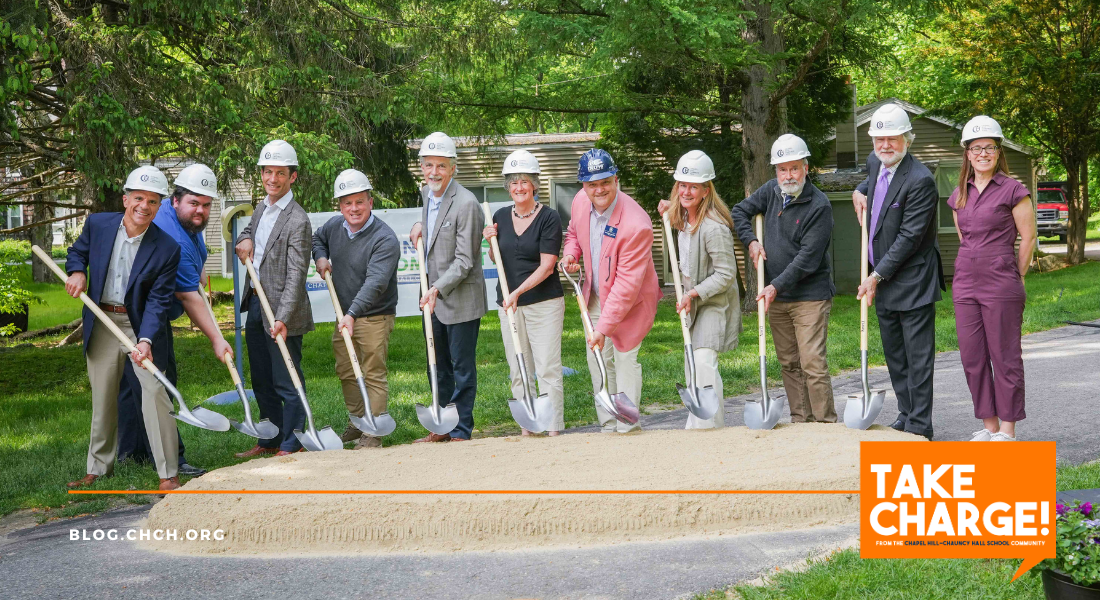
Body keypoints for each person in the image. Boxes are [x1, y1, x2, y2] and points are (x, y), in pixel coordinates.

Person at [63, 166, 183, 491]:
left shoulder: (167, 248)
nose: (144, 206)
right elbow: (77, 253)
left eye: (153, 201)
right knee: (103, 397)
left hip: (138, 326)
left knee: (155, 392)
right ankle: (98, 468)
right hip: (101, 319)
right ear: (126, 198)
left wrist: (145, 340)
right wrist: (77, 272)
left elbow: (158, 302)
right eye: (139, 198)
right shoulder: (99, 225)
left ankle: (168, 473)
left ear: (160, 207)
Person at [115, 164, 231, 477]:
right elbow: (189, 297)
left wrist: (200, 270)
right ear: (175, 200)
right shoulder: (170, 237)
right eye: (194, 203)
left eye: (207, 205)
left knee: (134, 384)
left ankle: (131, 454)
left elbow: (195, 265)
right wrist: (217, 339)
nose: (201, 211)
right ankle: (171, 459)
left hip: (141, 308)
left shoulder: (182, 222)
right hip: (142, 314)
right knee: (161, 382)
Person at [852, 103, 945, 440]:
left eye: (892, 138)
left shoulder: (921, 181)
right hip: (882, 276)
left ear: (908, 139)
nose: (885, 145)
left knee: (917, 357)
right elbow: (872, 181)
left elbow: (908, 238)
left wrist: (874, 277)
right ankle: (906, 415)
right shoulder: (876, 162)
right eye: (879, 139)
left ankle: (921, 425)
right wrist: (858, 191)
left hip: (913, 278)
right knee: (894, 353)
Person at [731, 134, 837, 423]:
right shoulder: (770, 192)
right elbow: (739, 212)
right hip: (776, 296)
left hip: (810, 297)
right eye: (782, 169)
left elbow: (808, 259)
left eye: (794, 168)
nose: (788, 175)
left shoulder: (819, 206)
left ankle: (825, 424)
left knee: (812, 363)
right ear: (775, 171)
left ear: (805, 167)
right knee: (789, 363)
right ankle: (801, 420)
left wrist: (774, 286)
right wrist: (751, 241)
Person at [561, 149, 662, 433]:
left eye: (605, 181)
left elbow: (627, 287)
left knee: (624, 359)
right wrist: (571, 254)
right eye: (592, 184)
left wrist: (603, 328)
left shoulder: (636, 224)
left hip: (631, 304)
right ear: (583, 185)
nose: (599, 189)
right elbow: (572, 234)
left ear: (616, 179)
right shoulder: (581, 202)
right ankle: (608, 424)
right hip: (594, 294)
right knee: (598, 360)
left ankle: (627, 426)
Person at [949, 116, 1036, 442]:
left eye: (989, 147)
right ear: (967, 154)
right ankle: (989, 426)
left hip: (1001, 280)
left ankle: (1008, 430)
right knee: (972, 356)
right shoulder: (959, 193)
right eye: (976, 148)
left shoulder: (1014, 190)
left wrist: (1019, 274)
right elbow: (964, 237)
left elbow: (1027, 238)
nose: (983, 153)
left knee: (1005, 356)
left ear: (998, 152)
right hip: (966, 281)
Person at [234, 140, 316, 457]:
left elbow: (297, 275)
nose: (272, 179)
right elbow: (249, 232)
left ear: (292, 177)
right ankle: (270, 438)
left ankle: (293, 441)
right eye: (267, 172)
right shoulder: (262, 206)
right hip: (255, 302)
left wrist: (281, 317)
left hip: (284, 310)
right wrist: (243, 239)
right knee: (262, 379)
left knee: (287, 379)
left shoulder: (298, 220)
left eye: (280, 173)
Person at [408, 132, 487, 442]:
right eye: (428, 165)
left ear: (453, 168)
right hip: (434, 299)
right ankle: (441, 425)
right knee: (436, 365)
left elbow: (465, 260)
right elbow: (434, 230)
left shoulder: (467, 204)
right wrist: (419, 225)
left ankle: (461, 429)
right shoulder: (428, 195)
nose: (434, 172)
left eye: (441, 166)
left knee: (461, 369)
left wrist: (436, 289)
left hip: (458, 298)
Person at [313, 169, 400, 449]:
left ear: (370, 202)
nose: (354, 208)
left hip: (374, 315)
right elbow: (318, 239)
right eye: (347, 203)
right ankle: (357, 422)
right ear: (339, 205)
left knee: (372, 371)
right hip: (345, 314)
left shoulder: (384, 239)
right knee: (346, 371)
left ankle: (373, 432)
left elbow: (375, 283)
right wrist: (321, 257)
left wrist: (352, 314)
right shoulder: (334, 226)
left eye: (359, 201)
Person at [483, 150, 566, 436]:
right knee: (519, 368)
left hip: (544, 303)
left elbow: (546, 267)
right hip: (509, 305)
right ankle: (528, 428)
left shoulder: (550, 218)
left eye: (524, 181)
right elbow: (500, 259)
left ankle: (553, 428)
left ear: (534, 184)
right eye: (513, 182)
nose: (519, 187)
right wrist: (491, 244)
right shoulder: (500, 217)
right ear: (508, 186)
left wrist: (517, 292)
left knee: (547, 368)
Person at [661, 150, 741, 429]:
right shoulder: (683, 220)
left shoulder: (713, 227)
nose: (686, 191)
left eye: (693, 186)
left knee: (704, 363)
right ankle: (698, 424)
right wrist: (667, 207)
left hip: (714, 303)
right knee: (693, 367)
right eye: (682, 185)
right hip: (693, 305)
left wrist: (692, 294)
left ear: (706, 191)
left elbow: (726, 274)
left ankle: (710, 427)